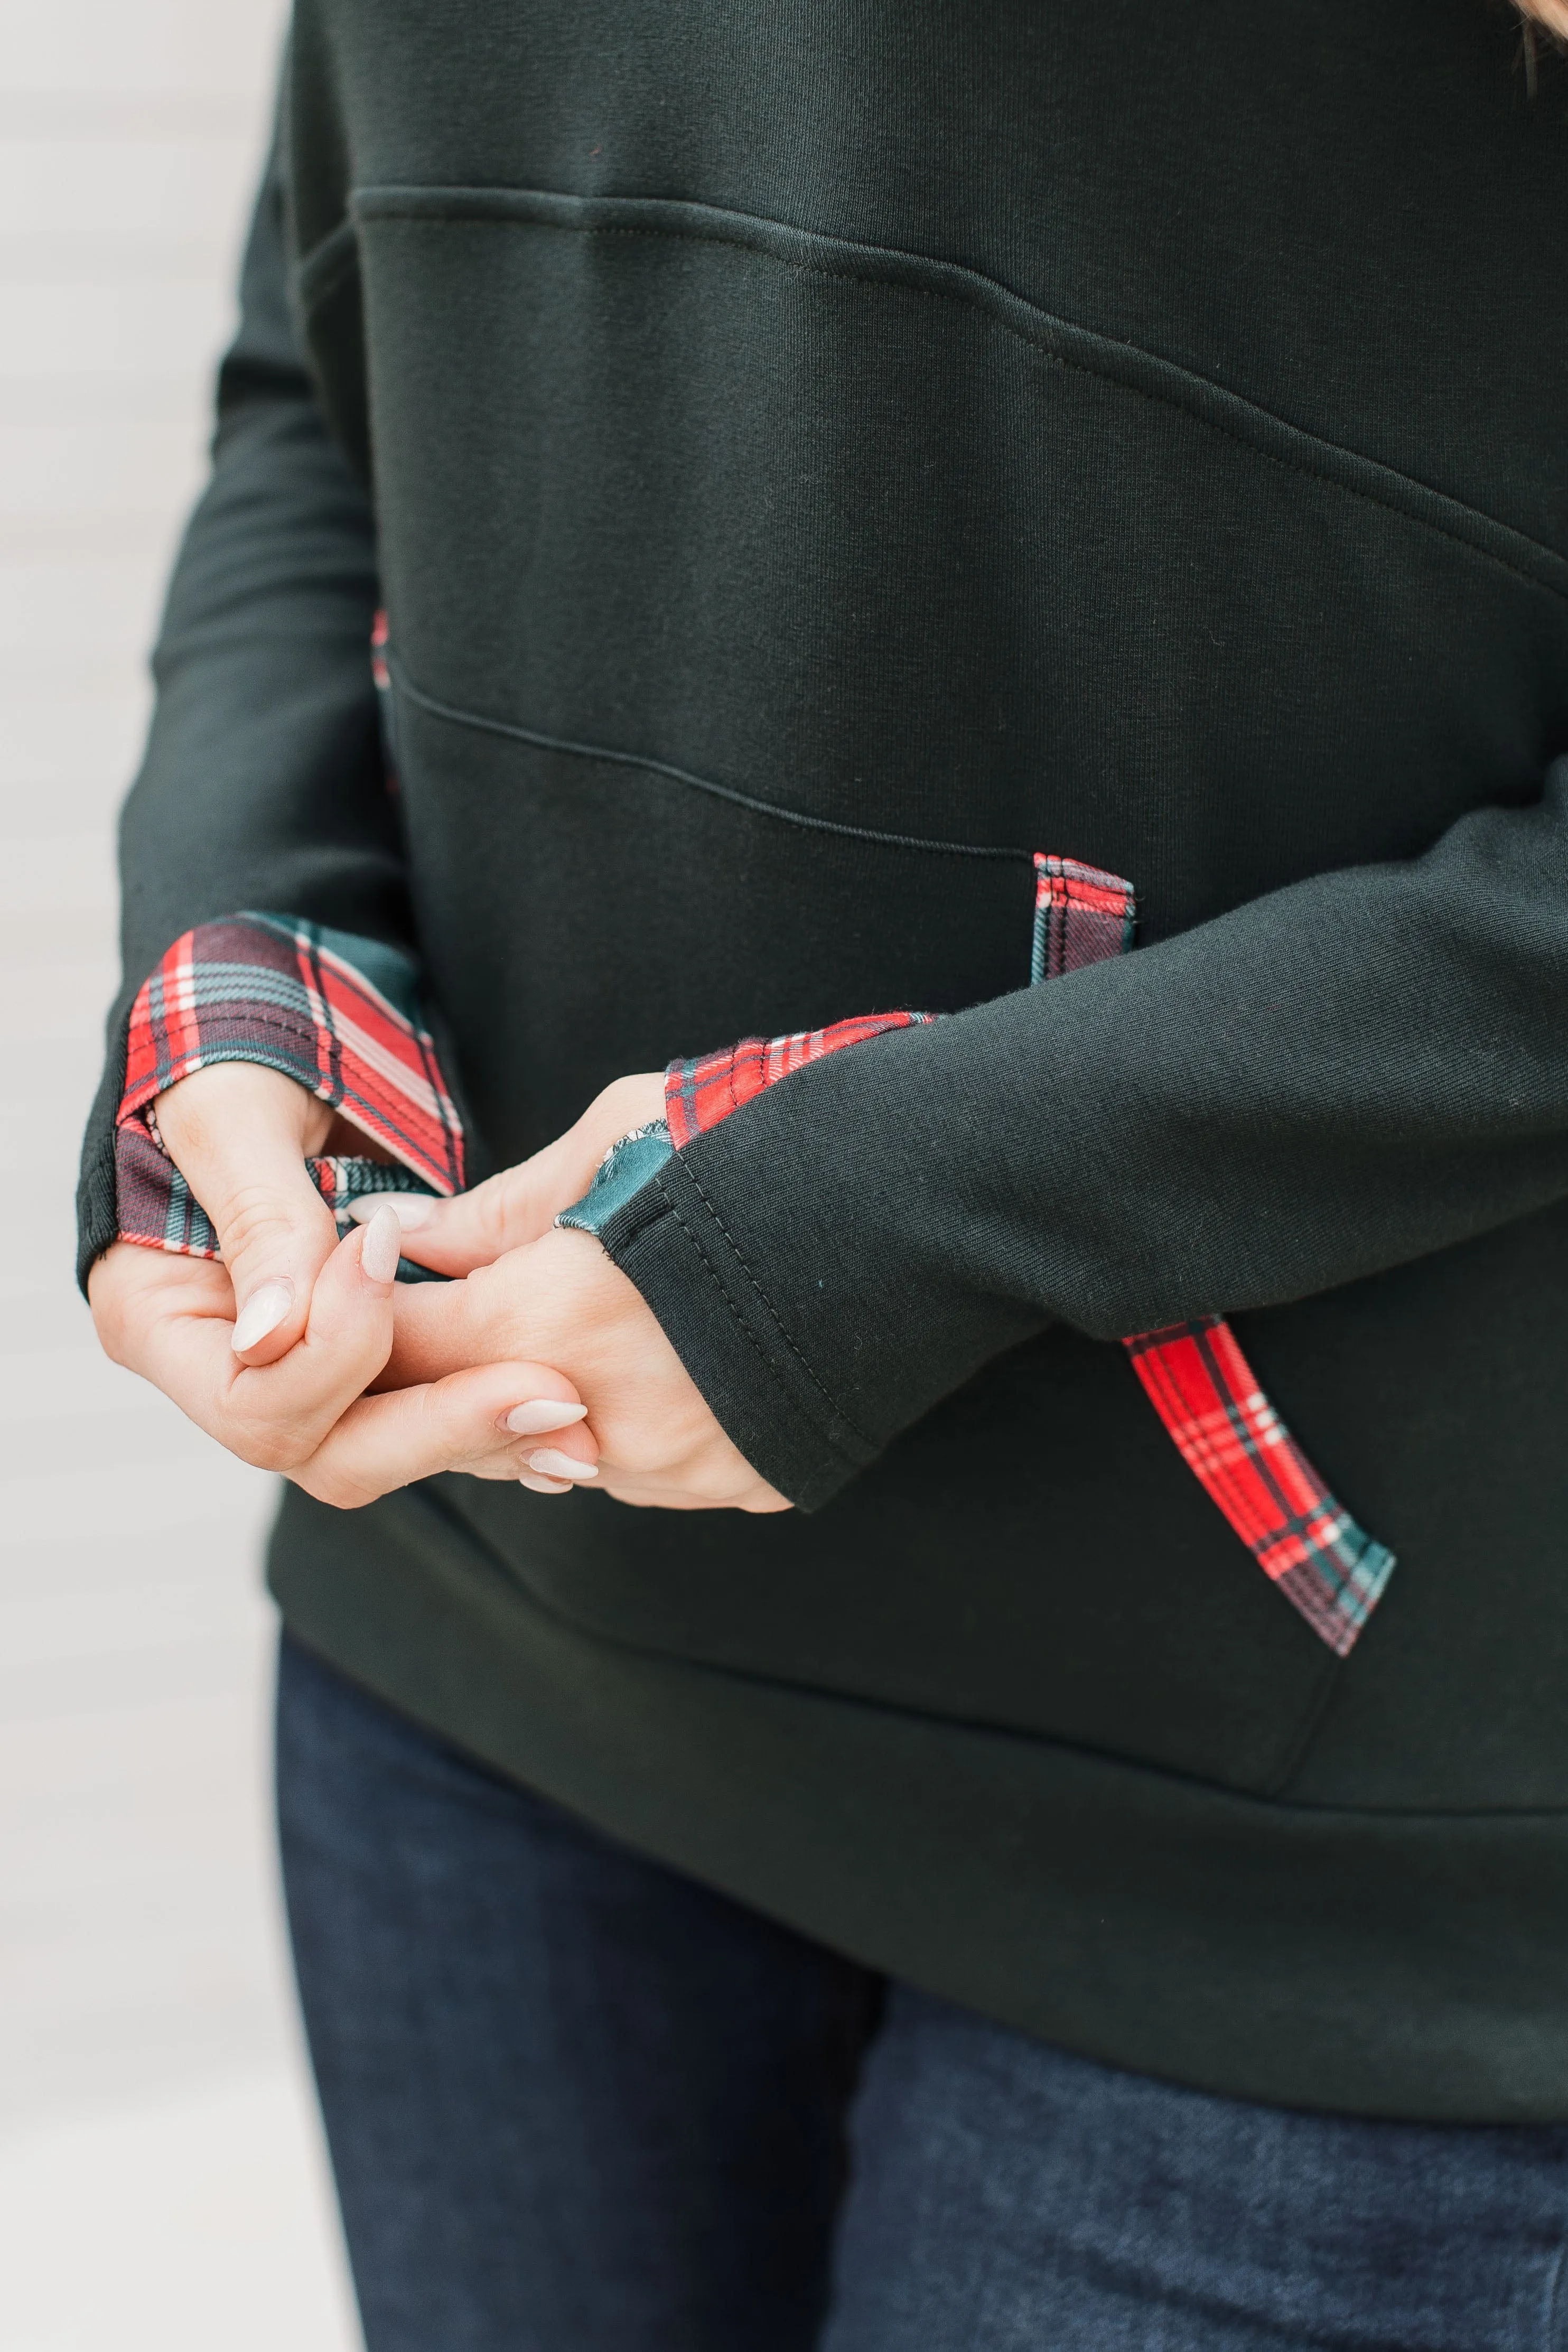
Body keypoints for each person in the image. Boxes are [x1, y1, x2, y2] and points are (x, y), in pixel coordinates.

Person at [82, 3, 1568, 2343]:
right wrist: (248, 1005)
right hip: (493, 1674)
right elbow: (328, 357)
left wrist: (872, 1222)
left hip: (1290, 1882)